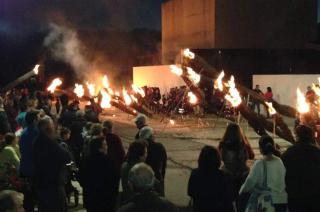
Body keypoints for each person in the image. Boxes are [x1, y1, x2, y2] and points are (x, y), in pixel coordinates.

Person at [32, 116, 71, 212]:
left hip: (42, 184)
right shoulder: (49, 143)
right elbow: (67, 157)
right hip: (53, 186)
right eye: (53, 126)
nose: (55, 129)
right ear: (48, 129)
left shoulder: (37, 140)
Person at [240, 135, 287, 212]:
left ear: (261, 149)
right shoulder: (279, 161)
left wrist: (242, 190)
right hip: (282, 200)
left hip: (267, 202)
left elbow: (250, 182)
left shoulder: (260, 164)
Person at [282, 125, 320, 212]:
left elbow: (281, 170)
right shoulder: (316, 152)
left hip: (295, 195)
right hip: (315, 195)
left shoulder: (290, 153)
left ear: (297, 136)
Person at [218, 123, 254, 209]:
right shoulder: (244, 144)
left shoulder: (223, 144)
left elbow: (219, 158)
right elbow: (252, 156)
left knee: (227, 200)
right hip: (243, 174)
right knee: (241, 200)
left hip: (227, 173)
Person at [188, 146, 235, 212]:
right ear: (217, 159)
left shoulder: (195, 174)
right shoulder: (224, 177)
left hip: (200, 208)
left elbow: (190, 192)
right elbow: (231, 198)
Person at [79, 137, 118, 212]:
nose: (107, 147)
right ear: (99, 147)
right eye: (105, 144)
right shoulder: (109, 161)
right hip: (106, 200)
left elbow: (81, 179)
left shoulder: (85, 160)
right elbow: (114, 182)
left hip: (90, 199)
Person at [19, 110, 40, 212]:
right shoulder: (36, 133)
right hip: (34, 169)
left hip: (24, 167)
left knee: (28, 198)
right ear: (35, 120)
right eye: (38, 117)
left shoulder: (23, 132)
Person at [138, 126, 167, 196]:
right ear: (150, 136)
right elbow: (163, 164)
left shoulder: (138, 146)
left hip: (141, 177)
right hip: (156, 176)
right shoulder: (159, 146)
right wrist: (162, 177)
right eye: (153, 135)